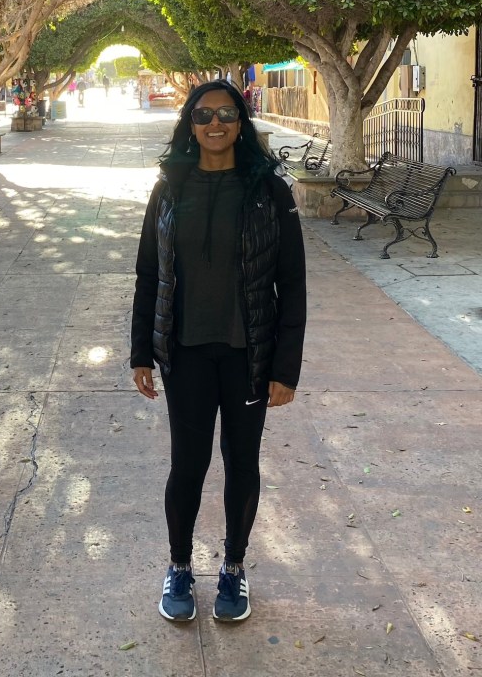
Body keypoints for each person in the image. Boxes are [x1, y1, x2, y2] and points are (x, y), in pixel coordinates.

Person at [130, 78, 306, 624]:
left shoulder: (269, 190)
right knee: (188, 464)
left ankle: (233, 566)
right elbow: (149, 272)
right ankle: (179, 566)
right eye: (204, 115)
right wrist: (141, 351)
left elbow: (292, 283)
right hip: (184, 353)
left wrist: (285, 368)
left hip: (247, 355)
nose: (215, 124)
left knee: (241, 462)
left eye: (227, 115)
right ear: (190, 124)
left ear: (241, 123)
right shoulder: (169, 187)